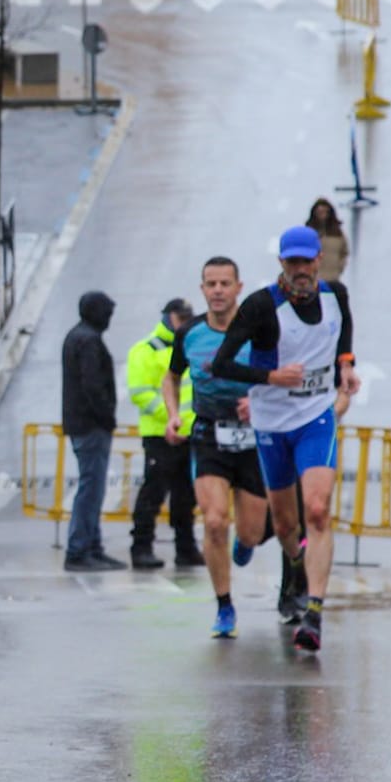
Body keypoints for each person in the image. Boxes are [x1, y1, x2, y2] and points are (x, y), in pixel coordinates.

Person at [211, 226, 360, 653]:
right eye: (291, 262)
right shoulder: (260, 307)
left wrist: (346, 365)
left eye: (305, 261)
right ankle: (294, 570)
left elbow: (344, 332)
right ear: (282, 264)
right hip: (272, 423)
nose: (299, 270)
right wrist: (271, 377)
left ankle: (313, 612)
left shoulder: (336, 295)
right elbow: (222, 364)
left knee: (317, 509)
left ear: (317, 260)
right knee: (285, 526)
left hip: (315, 416)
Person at [165, 258, 278, 638]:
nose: (217, 290)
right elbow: (172, 376)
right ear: (202, 289)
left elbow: (276, 376)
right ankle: (224, 606)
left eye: (224, 283)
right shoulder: (191, 333)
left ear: (238, 287)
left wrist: (259, 401)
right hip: (210, 433)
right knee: (214, 521)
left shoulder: (257, 331)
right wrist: (172, 414)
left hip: (253, 438)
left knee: (248, 533)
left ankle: (246, 544)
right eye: (210, 283)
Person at [126, 298, 201, 570]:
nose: (186, 322)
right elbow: (141, 393)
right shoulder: (145, 350)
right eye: (182, 318)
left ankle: (186, 547)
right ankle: (141, 546)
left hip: (191, 434)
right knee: (153, 492)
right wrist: (171, 418)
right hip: (160, 434)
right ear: (169, 318)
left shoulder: (193, 346)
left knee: (186, 495)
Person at [61, 291, 125, 573]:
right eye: (107, 313)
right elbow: (93, 385)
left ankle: (92, 547)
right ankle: (79, 550)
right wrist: (106, 416)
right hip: (90, 425)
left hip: (84, 423)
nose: (110, 319)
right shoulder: (87, 340)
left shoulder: (81, 336)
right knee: (91, 488)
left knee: (93, 488)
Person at [307, 197, 349, 283]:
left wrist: (340, 267)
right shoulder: (309, 233)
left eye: (325, 212)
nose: (322, 215)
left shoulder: (337, 233)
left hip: (333, 277)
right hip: (313, 279)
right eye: (319, 212)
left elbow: (344, 252)